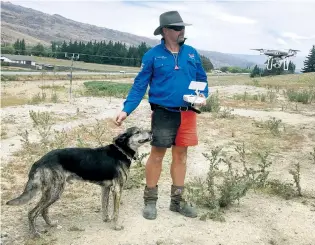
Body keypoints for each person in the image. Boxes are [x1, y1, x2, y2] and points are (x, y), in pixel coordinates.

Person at [115, 10, 209, 220]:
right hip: (163, 113)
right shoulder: (152, 56)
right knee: (157, 155)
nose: (181, 31)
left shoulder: (192, 53)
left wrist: (203, 95)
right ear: (165, 31)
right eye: (176, 28)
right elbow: (140, 85)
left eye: (182, 27)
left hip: (187, 113)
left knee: (181, 155)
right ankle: (150, 201)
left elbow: (202, 80)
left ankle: (177, 202)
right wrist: (126, 109)